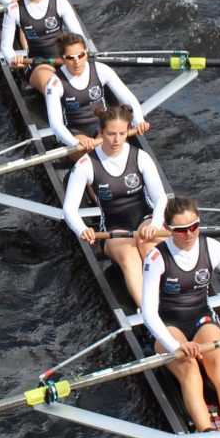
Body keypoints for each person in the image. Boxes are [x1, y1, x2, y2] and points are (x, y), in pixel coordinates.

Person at [139, 194, 220, 431]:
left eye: (194, 226)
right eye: (181, 230)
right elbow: (148, 314)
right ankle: (206, 434)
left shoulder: (213, 248)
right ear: (167, 229)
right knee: (189, 369)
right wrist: (174, 345)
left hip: (201, 317)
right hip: (168, 324)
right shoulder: (156, 257)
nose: (189, 234)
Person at [63, 102, 167, 307]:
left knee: (153, 253)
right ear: (101, 132)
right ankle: (149, 316)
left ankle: (170, 304)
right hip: (112, 228)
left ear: (128, 131)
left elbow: (160, 199)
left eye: (122, 133)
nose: (117, 140)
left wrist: (155, 224)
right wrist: (82, 229)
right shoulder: (86, 164)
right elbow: (69, 209)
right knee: (130, 260)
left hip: (145, 220)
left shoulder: (140, 157)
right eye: (111, 134)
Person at [44, 33, 150, 151]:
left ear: (86, 51)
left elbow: (129, 99)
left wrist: (139, 120)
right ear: (62, 57)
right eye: (70, 58)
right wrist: (75, 142)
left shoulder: (101, 70)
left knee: (112, 149)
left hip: (104, 125)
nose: (77, 62)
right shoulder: (54, 83)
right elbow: (56, 125)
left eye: (81, 55)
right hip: (75, 132)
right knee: (97, 153)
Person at [0, 0, 84, 92]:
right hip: (37, 63)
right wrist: (12, 58)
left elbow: (78, 36)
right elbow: (5, 46)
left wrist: (76, 57)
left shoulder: (60, 2)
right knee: (55, 89)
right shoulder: (14, 9)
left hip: (66, 58)